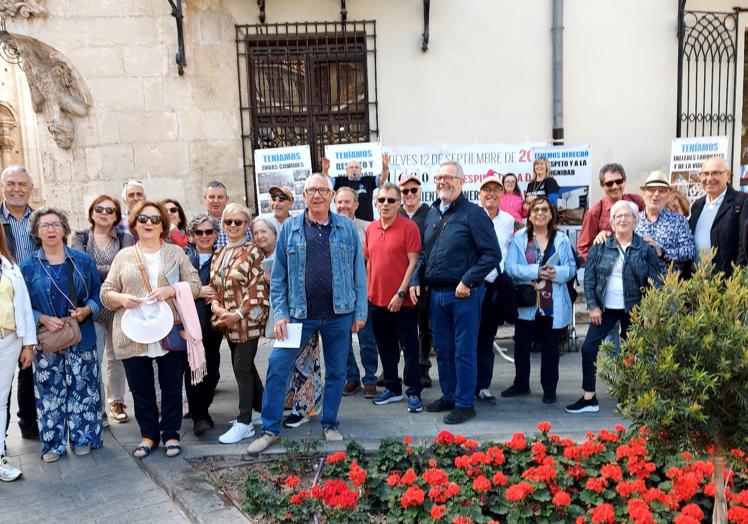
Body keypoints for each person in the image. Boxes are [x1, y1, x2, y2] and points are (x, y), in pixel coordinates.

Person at [247, 173, 367, 453]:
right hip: (299, 315)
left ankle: (330, 423)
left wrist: (360, 311)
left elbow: (358, 273)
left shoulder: (346, 228)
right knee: (277, 366)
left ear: (331, 195)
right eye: (312, 190)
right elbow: (278, 277)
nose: (317, 195)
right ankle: (270, 429)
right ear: (304, 195)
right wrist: (281, 314)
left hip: (339, 315)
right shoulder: (290, 228)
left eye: (323, 190)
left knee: (337, 371)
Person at [100, 200, 201, 458]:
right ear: (134, 224)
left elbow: (196, 284)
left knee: (170, 386)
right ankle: (148, 435)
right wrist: (122, 299)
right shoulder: (123, 256)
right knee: (140, 388)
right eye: (143, 219)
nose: (149, 223)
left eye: (155, 220)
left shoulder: (176, 253)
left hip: (169, 330)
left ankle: (171, 435)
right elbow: (105, 292)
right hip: (132, 332)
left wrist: (172, 290)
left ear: (163, 226)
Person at [409, 161, 501, 424]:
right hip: (437, 295)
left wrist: (468, 281)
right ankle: (449, 395)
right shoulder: (433, 214)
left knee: (463, 350)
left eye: (448, 177)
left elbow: (492, 254)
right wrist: (417, 278)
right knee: (444, 348)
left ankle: (464, 402)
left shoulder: (474, 214)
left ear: (461, 182)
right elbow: (426, 253)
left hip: (464, 295)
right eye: (438, 177)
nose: (442, 182)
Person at [21, 207, 103, 462]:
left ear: (65, 229)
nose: (51, 229)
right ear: (36, 232)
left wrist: (87, 309)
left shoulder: (82, 260)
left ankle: (83, 438)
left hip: (81, 335)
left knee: (84, 389)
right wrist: (41, 318)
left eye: (56, 224)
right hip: (48, 340)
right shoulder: (27, 267)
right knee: (49, 394)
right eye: (44, 225)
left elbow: (98, 295)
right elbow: (21, 307)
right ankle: (54, 444)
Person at [566, 200, 660, 414]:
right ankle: (589, 397)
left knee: (631, 352)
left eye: (628, 216)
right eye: (618, 216)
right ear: (612, 221)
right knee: (589, 348)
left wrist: (649, 311)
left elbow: (657, 281)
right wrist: (593, 306)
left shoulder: (645, 248)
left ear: (636, 221)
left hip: (634, 309)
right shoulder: (601, 245)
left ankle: (628, 395)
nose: (623, 219)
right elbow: (589, 277)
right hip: (605, 308)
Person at [504, 196, 576, 404]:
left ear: (551, 214)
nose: (540, 213)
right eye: (536, 210)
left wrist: (556, 272)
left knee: (551, 348)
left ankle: (550, 389)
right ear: (529, 214)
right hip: (527, 303)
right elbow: (510, 268)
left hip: (552, 304)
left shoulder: (561, 239)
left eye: (545, 209)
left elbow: (571, 269)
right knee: (522, 345)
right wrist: (535, 271)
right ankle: (521, 384)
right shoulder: (519, 238)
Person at [252, 216, 323, 428]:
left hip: (298, 316)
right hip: (281, 319)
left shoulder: (287, 253)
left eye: (264, 231)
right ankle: (292, 403)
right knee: (290, 363)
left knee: (304, 362)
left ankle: (305, 408)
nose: (260, 236)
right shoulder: (259, 256)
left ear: (276, 233)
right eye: (255, 233)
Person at [70, 195, 134, 425]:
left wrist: (98, 269)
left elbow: (125, 266)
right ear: (92, 212)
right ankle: (96, 406)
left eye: (110, 210)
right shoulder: (80, 236)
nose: (104, 213)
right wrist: (111, 269)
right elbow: (80, 267)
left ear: (117, 216)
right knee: (93, 357)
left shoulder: (125, 238)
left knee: (116, 357)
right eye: (100, 209)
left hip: (116, 305)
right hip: (90, 306)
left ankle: (116, 402)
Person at [210, 203, 268, 444]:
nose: (233, 226)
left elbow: (257, 288)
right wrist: (217, 308)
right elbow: (213, 287)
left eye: (239, 222)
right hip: (226, 320)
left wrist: (238, 314)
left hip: (248, 321)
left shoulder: (254, 252)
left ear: (246, 225)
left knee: (241, 367)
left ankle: (245, 423)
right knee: (246, 367)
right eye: (228, 222)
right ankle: (262, 411)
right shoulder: (220, 252)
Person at [366, 183, 422, 411]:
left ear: (399, 203)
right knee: (385, 348)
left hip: (404, 301)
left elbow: (413, 262)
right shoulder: (370, 228)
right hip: (376, 301)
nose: (386, 204)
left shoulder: (409, 227)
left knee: (410, 348)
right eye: (382, 200)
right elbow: (369, 262)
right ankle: (392, 387)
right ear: (376, 203)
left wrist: (400, 292)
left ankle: (414, 392)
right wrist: (368, 292)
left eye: (391, 200)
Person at [0, 165, 37, 439]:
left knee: (29, 365)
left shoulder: (41, 219)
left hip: (34, 299)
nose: (16, 189)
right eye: (10, 183)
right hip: (5, 301)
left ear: (30, 188)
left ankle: (28, 424)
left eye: (22, 184)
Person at [334, 187, 379, 398]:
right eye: (339, 202)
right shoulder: (328, 227)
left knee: (367, 339)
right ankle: (351, 378)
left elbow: (373, 262)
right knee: (342, 341)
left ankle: (370, 379)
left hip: (363, 294)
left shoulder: (368, 228)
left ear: (356, 205)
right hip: (337, 296)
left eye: (347, 202)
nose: (343, 206)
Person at [475, 175, 514, 405]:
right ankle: (467, 385)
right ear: (479, 194)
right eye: (486, 189)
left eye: (495, 189)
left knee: (487, 339)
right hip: (471, 287)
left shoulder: (509, 221)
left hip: (493, 288)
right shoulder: (472, 217)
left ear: (502, 194)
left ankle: (483, 386)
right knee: (467, 339)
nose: (491, 193)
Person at [0, 224, 35, 480]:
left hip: (8, 340)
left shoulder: (9, 264)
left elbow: (23, 306)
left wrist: (28, 344)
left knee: (0, 401)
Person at [183, 214, 222, 435]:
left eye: (209, 232)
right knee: (194, 370)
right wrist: (199, 291)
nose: (204, 236)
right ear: (192, 235)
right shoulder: (184, 257)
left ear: (216, 234)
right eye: (199, 232)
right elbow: (175, 286)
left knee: (213, 369)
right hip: (191, 322)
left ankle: (202, 407)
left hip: (215, 323)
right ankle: (200, 416)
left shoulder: (223, 256)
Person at [398, 172, 433, 388]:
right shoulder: (394, 212)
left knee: (425, 326)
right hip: (399, 278)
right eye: (405, 191)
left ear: (420, 191)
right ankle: (395, 368)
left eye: (414, 190)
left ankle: (423, 367)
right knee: (399, 327)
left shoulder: (429, 213)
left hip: (424, 279)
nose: (410, 194)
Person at [690, 156, 748, 275]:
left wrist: (737, 278)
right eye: (705, 173)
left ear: (727, 175)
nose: (709, 178)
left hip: (726, 285)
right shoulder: (697, 205)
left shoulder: (741, 202)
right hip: (697, 283)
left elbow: (744, 246)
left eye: (715, 173)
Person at [576, 163, 645, 261]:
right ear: (602, 185)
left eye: (619, 181)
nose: (615, 186)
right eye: (609, 183)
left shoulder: (637, 202)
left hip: (637, 265)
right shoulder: (594, 212)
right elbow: (584, 249)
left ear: (624, 180)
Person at [634, 171, 695, 275]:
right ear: (644, 194)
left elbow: (689, 251)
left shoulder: (679, 221)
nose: (656, 194)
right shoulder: (633, 220)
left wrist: (662, 253)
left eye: (662, 191)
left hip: (667, 288)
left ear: (667, 196)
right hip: (638, 286)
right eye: (652, 190)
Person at [322, 153, 390, 221]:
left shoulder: (368, 180)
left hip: (366, 222)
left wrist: (385, 167)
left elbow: (382, 179)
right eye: (351, 167)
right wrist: (325, 170)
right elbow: (326, 181)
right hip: (345, 222)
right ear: (347, 170)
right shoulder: (340, 181)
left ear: (361, 170)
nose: (354, 169)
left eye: (356, 167)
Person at [204, 181, 252, 249]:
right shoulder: (200, 224)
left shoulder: (239, 222)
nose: (216, 201)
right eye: (212, 197)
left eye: (220, 197)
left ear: (227, 199)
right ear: (205, 199)